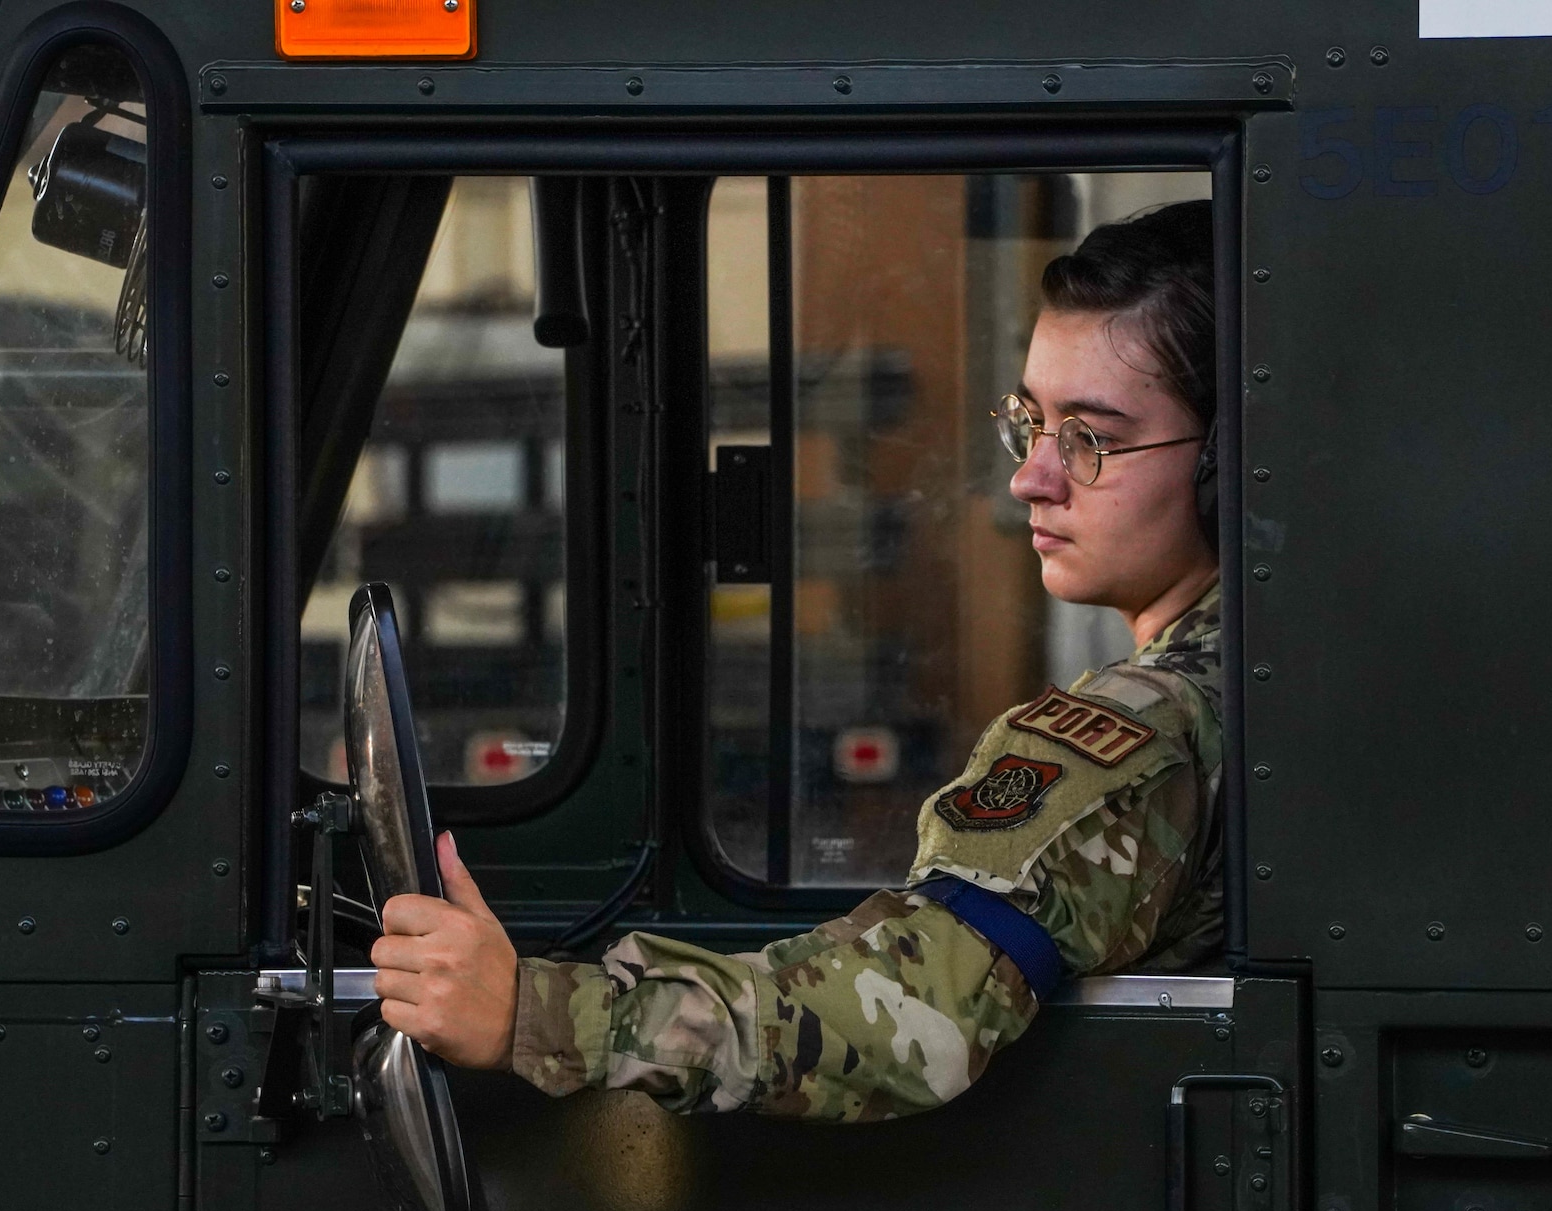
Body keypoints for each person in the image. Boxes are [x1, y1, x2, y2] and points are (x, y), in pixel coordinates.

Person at [370, 199, 1225, 1122]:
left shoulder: (1145, 735)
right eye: (1030, 422)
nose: (1032, 476)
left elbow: (909, 1010)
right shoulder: (1253, 677)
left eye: (1092, 439)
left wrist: (538, 1015)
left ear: (1230, 458)